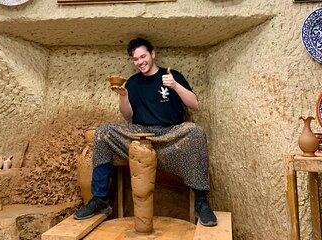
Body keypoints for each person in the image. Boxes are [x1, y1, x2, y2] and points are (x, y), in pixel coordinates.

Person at [74, 37, 217, 227]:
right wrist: (124, 96)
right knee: (103, 132)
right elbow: (127, 116)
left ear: (153, 54)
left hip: (170, 136)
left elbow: (195, 104)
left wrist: (175, 85)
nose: (140, 62)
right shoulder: (132, 83)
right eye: (136, 59)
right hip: (139, 137)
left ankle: (201, 202)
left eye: (143, 56)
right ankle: (100, 199)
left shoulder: (171, 75)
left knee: (195, 132)